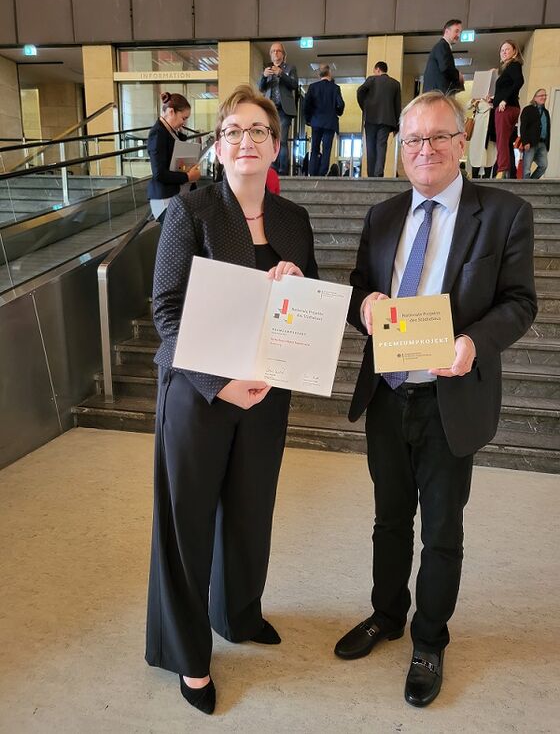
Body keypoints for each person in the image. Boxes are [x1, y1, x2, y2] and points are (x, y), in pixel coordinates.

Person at [335, 91, 537, 708]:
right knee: (388, 520)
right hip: (389, 395)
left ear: (462, 142)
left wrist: (475, 341)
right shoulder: (383, 215)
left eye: (437, 137)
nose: (424, 149)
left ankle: (429, 638)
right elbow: (360, 289)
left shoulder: (504, 213)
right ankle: (387, 615)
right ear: (401, 148)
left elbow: (520, 303)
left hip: (452, 396)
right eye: (413, 139)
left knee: (442, 529)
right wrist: (362, 303)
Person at [145, 84, 318, 715]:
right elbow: (166, 312)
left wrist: (299, 285)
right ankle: (188, 657)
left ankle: (238, 612)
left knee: (250, 512)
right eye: (233, 131)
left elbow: (310, 307)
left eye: (258, 130)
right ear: (218, 147)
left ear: (276, 145)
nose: (246, 140)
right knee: (187, 525)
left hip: (267, 393)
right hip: (199, 393)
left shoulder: (294, 220)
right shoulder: (192, 210)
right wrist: (218, 384)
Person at [147, 92, 201, 223]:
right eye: (183, 118)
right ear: (171, 112)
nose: (184, 123)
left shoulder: (170, 132)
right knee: (174, 241)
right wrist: (187, 177)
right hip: (165, 199)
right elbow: (159, 173)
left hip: (176, 196)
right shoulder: (158, 133)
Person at [258, 42, 298, 175]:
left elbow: (294, 85)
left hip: (284, 110)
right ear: (270, 55)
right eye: (273, 51)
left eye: (278, 51)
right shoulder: (267, 69)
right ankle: (272, 168)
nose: (276, 53)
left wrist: (281, 73)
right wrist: (264, 76)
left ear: (283, 54)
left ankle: (283, 170)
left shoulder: (290, 68)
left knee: (282, 140)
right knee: (270, 140)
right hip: (270, 110)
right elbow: (260, 88)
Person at [357, 61, 401, 177]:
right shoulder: (395, 84)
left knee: (370, 146)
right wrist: (397, 125)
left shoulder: (371, 80)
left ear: (377, 69)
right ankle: (378, 172)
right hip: (387, 120)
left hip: (370, 118)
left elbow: (360, 91)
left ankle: (371, 174)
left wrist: (365, 107)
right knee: (381, 145)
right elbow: (397, 105)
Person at [491, 40, 524, 178]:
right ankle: (510, 173)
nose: (504, 52)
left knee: (502, 139)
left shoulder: (514, 65)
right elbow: (508, 87)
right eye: (502, 50)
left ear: (514, 51)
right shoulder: (508, 68)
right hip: (510, 106)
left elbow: (519, 81)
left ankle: (502, 169)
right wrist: (494, 98)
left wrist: (504, 100)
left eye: (507, 49)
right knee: (506, 141)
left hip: (506, 108)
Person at [304, 64, 345, 176]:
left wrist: (308, 119)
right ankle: (322, 172)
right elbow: (340, 104)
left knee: (315, 148)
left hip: (316, 121)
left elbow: (306, 104)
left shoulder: (313, 87)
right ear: (329, 74)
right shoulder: (335, 88)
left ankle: (312, 172)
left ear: (319, 75)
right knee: (327, 149)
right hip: (330, 122)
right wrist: (337, 112)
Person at [423, 20, 464, 95]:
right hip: (437, 94)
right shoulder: (443, 46)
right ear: (447, 31)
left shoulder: (441, 46)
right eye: (456, 31)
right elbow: (445, 67)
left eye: (460, 32)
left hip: (434, 93)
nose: (458, 35)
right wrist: (458, 75)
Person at [520, 89, 550, 179]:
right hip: (531, 143)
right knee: (526, 169)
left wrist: (547, 144)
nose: (544, 97)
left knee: (543, 166)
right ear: (535, 98)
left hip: (543, 143)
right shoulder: (528, 109)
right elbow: (523, 127)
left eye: (545, 95)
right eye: (541, 95)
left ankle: (531, 183)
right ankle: (525, 188)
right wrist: (525, 142)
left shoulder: (546, 112)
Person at [467, 98, 496, 178]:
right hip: (489, 138)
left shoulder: (482, 107)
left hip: (485, 138)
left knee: (480, 160)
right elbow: (468, 105)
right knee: (487, 160)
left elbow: (468, 105)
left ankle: (476, 181)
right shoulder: (491, 108)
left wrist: (476, 101)